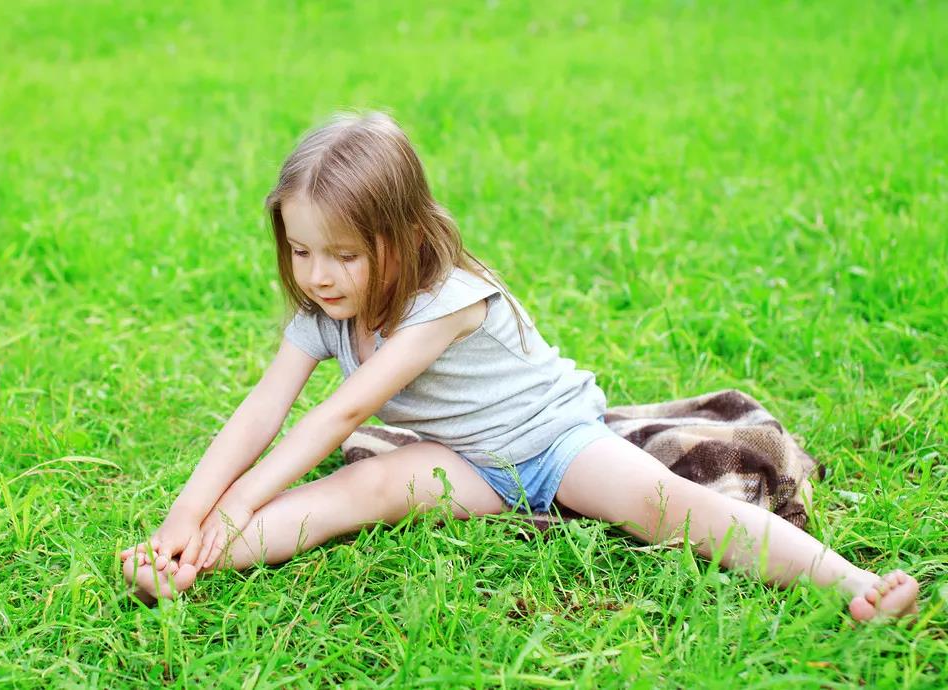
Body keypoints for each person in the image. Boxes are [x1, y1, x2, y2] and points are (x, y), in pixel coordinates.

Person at [118, 111, 918, 621]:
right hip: (461, 461)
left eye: (343, 255)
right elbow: (262, 412)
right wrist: (182, 522)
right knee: (348, 492)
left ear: (401, 237)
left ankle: (847, 583)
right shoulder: (324, 309)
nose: (318, 275)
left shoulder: (450, 297)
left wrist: (230, 505)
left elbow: (340, 416)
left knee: (663, 503)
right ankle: (184, 568)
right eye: (299, 250)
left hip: (549, 440)